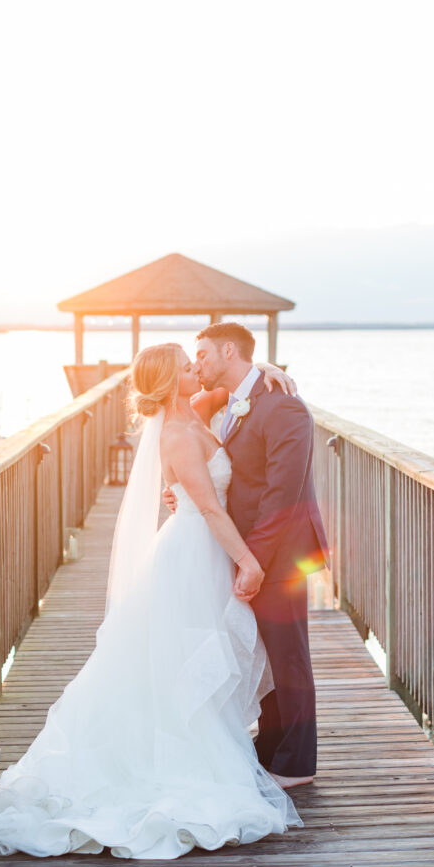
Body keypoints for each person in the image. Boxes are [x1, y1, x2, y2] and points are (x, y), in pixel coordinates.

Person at [0, 342, 302, 860]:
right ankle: (176, 758)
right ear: (172, 380)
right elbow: (212, 511)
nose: (198, 369)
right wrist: (250, 562)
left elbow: (232, 386)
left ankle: (202, 738)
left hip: (202, 552)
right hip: (193, 553)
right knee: (178, 658)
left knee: (193, 656)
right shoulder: (176, 434)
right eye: (188, 366)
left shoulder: (196, 412)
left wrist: (265, 368)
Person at [166, 322, 329, 789]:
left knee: (289, 657)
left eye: (202, 355)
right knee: (265, 655)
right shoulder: (238, 401)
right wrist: (181, 491)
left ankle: (298, 764)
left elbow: (283, 496)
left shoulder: (285, 407)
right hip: (250, 550)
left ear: (228, 350)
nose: (197, 365)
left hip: (281, 553)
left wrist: (250, 561)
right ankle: (271, 748)